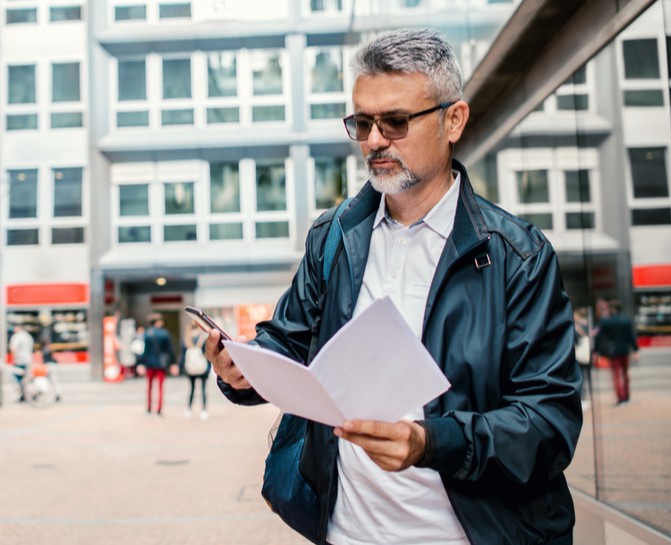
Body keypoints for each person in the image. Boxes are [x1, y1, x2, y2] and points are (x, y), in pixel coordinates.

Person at [207, 27, 582, 545]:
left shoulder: (518, 257)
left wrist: (430, 442)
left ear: (454, 120)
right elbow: (288, 344)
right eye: (363, 123)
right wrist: (244, 367)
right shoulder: (332, 235)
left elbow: (548, 424)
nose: (375, 140)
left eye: (396, 121)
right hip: (347, 534)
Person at [594, 300, 639, 406]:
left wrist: (595, 351)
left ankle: (621, 397)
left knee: (616, 375)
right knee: (625, 374)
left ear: (612, 309)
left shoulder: (606, 322)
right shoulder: (626, 321)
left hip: (613, 351)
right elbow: (631, 337)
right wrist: (635, 350)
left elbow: (599, 338)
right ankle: (627, 396)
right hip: (624, 350)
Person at [137, 314, 176, 416]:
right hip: (160, 364)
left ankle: (149, 408)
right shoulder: (164, 333)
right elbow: (170, 350)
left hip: (149, 364)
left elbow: (144, 350)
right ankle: (159, 409)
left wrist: (141, 363)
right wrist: (173, 363)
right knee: (160, 387)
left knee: (149, 387)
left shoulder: (147, 333)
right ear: (158, 322)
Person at [181, 323, 211, 420]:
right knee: (203, 389)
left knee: (192, 389)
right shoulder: (202, 339)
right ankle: (204, 410)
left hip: (191, 369)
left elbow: (182, 356)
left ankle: (189, 409)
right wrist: (209, 368)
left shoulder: (186, 339)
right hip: (202, 368)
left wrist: (181, 368)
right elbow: (207, 354)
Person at [573, 306, 594, 401]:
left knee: (580, 377)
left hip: (580, 355)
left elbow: (575, 340)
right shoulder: (589, 325)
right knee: (587, 377)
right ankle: (586, 396)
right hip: (588, 354)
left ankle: (582, 398)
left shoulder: (577, 326)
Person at [9, 325, 35, 403]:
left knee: (16, 377)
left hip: (19, 360)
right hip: (28, 359)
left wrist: (14, 358)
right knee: (26, 378)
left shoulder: (17, 336)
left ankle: (21, 394)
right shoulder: (28, 336)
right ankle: (25, 394)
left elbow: (13, 348)